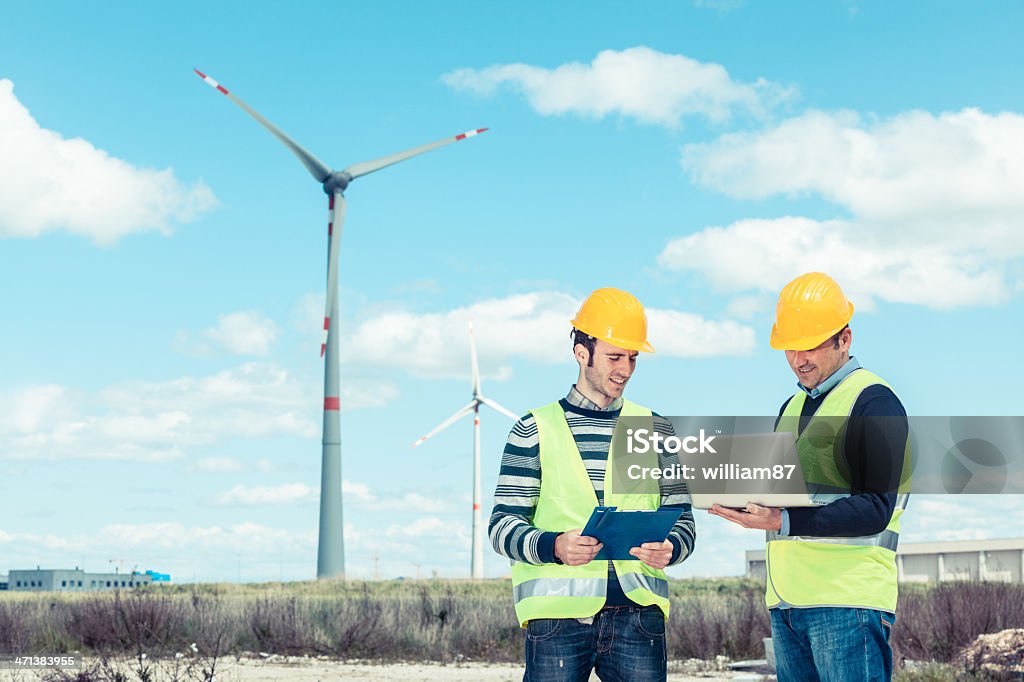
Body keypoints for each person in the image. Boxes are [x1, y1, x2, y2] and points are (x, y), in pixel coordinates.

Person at [489, 287, 696, 682]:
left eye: (633, 358)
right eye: (615, 357)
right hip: (557, 621)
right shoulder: (533, 429)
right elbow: (501, 528)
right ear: (581, 352)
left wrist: (671, 549)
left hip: (639, 619)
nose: (626, 369)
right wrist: (554, 546)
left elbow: (684, 521)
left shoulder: (656, 429)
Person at [710, 272, 909, 682]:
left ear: (845, 339)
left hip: (848, 602)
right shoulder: (792, 405)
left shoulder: (875, 401)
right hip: (788, 604)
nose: (800, 358)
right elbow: (785, 492)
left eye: (813, 345)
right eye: (790, 347)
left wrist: (783, 520)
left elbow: (877, 508)